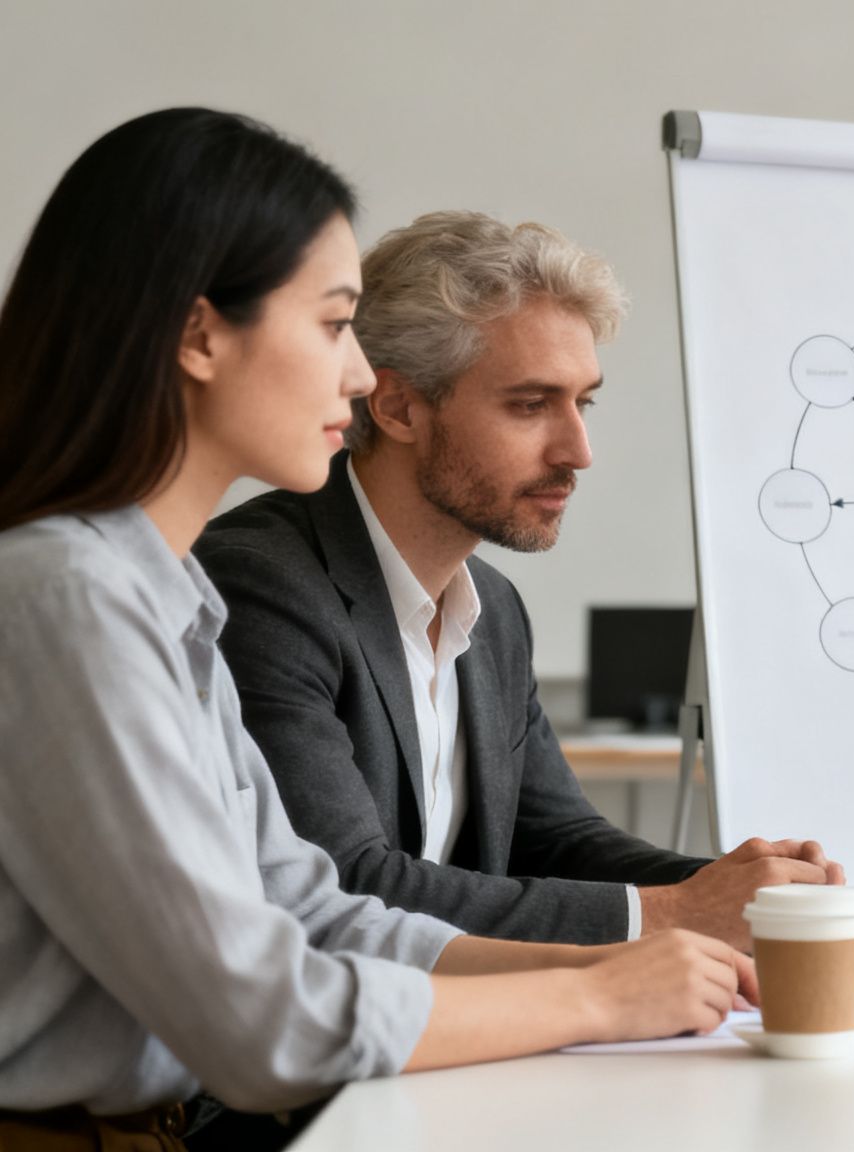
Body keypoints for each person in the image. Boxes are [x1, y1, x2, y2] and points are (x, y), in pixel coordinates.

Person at [0, 109, 752, 1150]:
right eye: (332, 324)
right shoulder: (68, 598)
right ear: (198, 333)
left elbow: (317, 916)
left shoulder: (163, 596)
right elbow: (262, 1018)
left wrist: (626, 963)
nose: (358, 377)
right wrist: (600, 997)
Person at [193, 210, 840, 949]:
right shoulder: (261, 587)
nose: (578, 449)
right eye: (531, 405)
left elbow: (556, 841)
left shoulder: (492, 607)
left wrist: (739, 888)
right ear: (399, 407)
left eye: (582, 401)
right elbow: (344, 886)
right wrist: (676, 914)